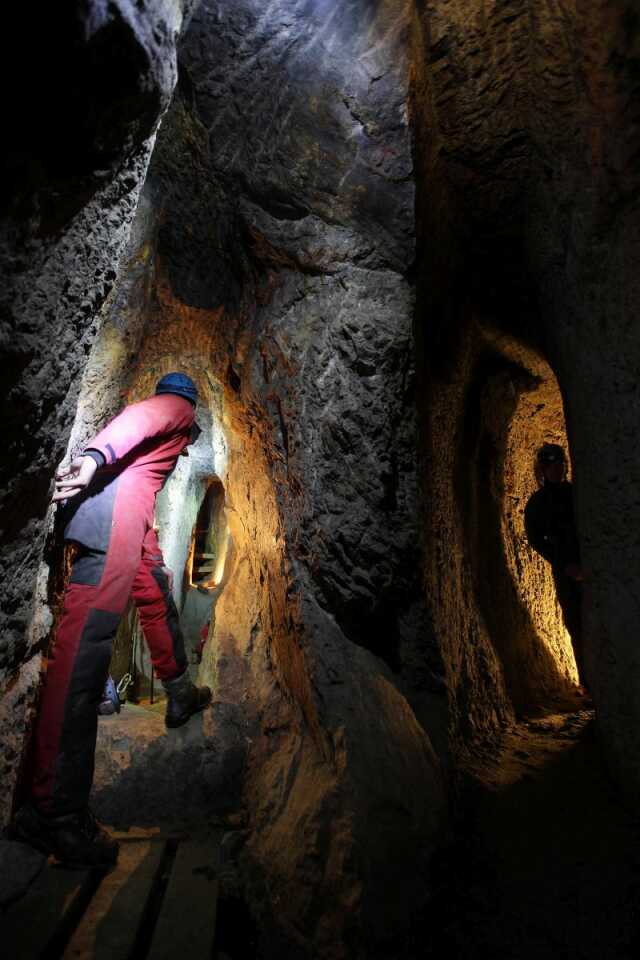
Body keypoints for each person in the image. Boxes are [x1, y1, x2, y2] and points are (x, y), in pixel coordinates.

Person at [12, 373, 212, 867]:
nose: (186, 451)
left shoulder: (149, 468)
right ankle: (54, 815)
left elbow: (150, 589)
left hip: (129, 529)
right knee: (80, 666)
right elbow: (141, 418)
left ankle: (179, 689)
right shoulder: (178, 410)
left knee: (155, 587)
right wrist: (93, 459)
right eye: (190, 443)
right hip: (112, 532)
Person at [524, 442, 586, 685]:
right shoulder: (538, 504)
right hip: (566, 573)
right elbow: (537, 540)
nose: (556, 469)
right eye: (550, 465)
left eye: (559, 464)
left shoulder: (577, 494)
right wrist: (564, 565)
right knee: (576, 626)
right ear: (542, 469)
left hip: (590, 569)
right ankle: (588, 684)